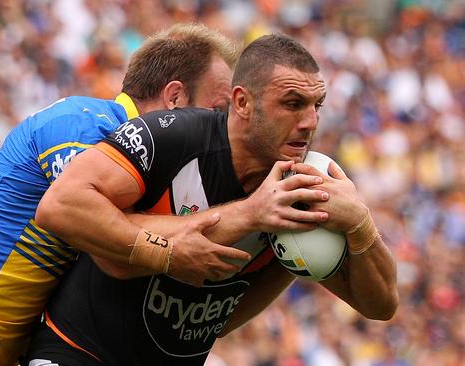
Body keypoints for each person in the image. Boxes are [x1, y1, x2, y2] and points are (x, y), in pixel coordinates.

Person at [0, 23, 252, 366]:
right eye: (217, 114)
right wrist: (247, 215)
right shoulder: (88, 121)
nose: (221, 131)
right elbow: (81, 211)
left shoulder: (133, 164)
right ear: (175, 98)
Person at [25, 33, 399, 365]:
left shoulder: (303, 184)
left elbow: (380, 304)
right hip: (76, 351)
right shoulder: (173, 135)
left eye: (317, 105)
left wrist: (360, 223)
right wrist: (230, 224)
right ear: (241, 103)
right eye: (292, 103)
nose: (310, 122)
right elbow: (61, 206)